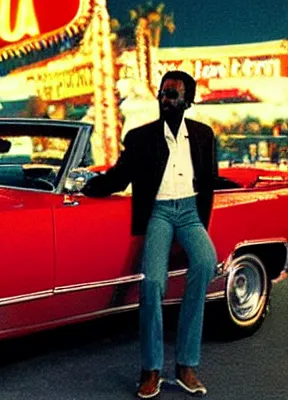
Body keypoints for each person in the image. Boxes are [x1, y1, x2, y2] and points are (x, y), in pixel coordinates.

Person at [82, 70, 218, 398]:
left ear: (188, 101)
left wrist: (201, 223)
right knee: (153, 283)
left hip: (189, 213)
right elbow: (119, 177)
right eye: (162, 92)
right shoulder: (141, 137)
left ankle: (186, 366)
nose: (164, 99)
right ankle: (151, 369)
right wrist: (86, 187)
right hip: (158, 213)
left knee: (206, 263)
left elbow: (210, 180)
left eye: (172, 94)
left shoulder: (203, 135)